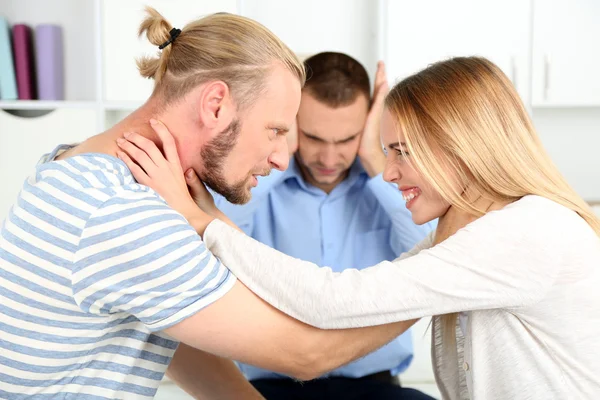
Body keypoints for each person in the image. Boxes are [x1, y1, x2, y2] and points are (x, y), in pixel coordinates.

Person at [121, 56, 600, 399]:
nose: (387, 173)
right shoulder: (460, 239)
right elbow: (326, 333)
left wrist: (200, 221)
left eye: (401, 150)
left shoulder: (527, 234)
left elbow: (332, 301)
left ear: (462, 146)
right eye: (384, 151)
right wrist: (208, 217)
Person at [0, 8, 419, 399]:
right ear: (215, 105)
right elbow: (306, 354)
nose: (280, 156)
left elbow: (172, 325)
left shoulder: (84, 165)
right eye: (275, 130)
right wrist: (436, 283)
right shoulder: (120, 210)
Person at [214, 51, 435, 400]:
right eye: (315, 138)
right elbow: (212, 237)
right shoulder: (254, 185)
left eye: (346, 140)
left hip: (375, 388)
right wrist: (278, 148)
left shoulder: (396, 189)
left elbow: (434, 255)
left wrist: (376, 159)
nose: (329, 159)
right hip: (271, 388)